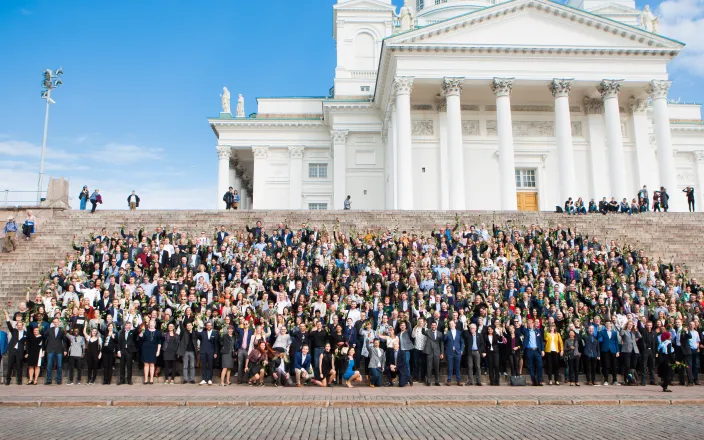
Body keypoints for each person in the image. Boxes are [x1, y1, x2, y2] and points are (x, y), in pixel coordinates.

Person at [4, 311, 28, 385]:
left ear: (22, 325)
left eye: (21, 325)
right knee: (10, 365)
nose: (20, 326)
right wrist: (7, 315)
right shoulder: (14, 331)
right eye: (19, 325)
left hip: (20, 351)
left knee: (19, 366)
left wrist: (26, 352)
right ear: (17, 326)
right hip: (12, 350)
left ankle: (19, 380)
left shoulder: (25, 333)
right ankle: (8, 380)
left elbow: (27, 343)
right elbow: (8, 324)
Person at [521, 319, 544, 386]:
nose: (529, 324)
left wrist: (542, 350)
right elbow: (522, 330)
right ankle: (533, 381)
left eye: (531, 323)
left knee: (539, 365)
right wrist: (524, 325)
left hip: (537, 350)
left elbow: (541, 341)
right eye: (528, 323)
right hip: (529, 350)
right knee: (530, 366)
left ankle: (539, 380)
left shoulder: (537, 331)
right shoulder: (526, 331)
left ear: (533, 323)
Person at [139, 320, 162, 385]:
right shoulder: (145, 331)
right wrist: (141, 335)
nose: (151, 324)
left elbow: (159, 342)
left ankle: (151, 379)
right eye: (150, 323)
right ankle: (146, 379)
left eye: (153, 323)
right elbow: (141, 339)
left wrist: (158, 351)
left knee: (152, 364)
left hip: (153, 349)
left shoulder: (158, 332)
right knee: (146, 364)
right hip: (145, 349)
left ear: (155, 324)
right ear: (149, 324)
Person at [197, 320, 219, 385]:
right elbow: (196, 334)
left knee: (210, 365)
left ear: (212, 326)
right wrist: (195, 325)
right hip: (203, 351)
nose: (209, 326)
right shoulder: (202, 333)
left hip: (211, 351)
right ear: (206, 326)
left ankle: (209, 379)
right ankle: (204, 379)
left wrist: (216, 352)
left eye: (210, 325)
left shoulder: (215, 333)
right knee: (203, 366)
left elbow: (216, 344)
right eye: (207, 325)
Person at [598, 321, 620, 386]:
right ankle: (606, 380)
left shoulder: (614, 333)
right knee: (606, 365)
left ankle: (615, 380)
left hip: (613, 350)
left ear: (611, 325)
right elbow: (599, 339)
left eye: (609, 324)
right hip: (605, 349)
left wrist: (617, 351)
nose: (608, 325)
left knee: (614, 365)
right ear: (605, 325)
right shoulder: (602, 332)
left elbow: (616, 342)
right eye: (606, 324)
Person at [422, 321, 443, 386]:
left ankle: (437, 381)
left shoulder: (440, 333)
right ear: (431, 326)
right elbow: (423, 332)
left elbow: (441, 344)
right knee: (429, 367)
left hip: (437, 352)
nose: (433, 326)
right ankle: (428, 381)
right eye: (432, 325)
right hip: (429, 351)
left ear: (436, 326)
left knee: (437, 367)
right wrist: (424, 326)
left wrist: (442, 353)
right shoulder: (428, 332)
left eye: (434, 325)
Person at [443, 320, 464, 386]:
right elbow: (444, 340)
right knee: (450, 367)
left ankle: (459, 380)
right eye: (450, 324)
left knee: (457, 367)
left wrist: (461, 350)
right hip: (450, 352)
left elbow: (462, 342)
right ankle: (449, 380)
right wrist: (445, 333)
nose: (451, 325)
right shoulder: (448, 332)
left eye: (452, 324)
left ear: (455, 324)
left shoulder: (459, 332)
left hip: (457, 352)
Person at [117, 321, 138, 385]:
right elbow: (119, 342)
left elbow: (137, 331)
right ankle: (121, 380)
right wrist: (118, 350)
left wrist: (136, 323)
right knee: (122, 366)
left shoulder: (132, 332)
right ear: (125, 326)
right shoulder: (121, 332)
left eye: (129, 325)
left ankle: (129, 380)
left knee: (129, 366)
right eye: (127, 325)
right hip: (122, 350)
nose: (128, 326)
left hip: (129, 351)